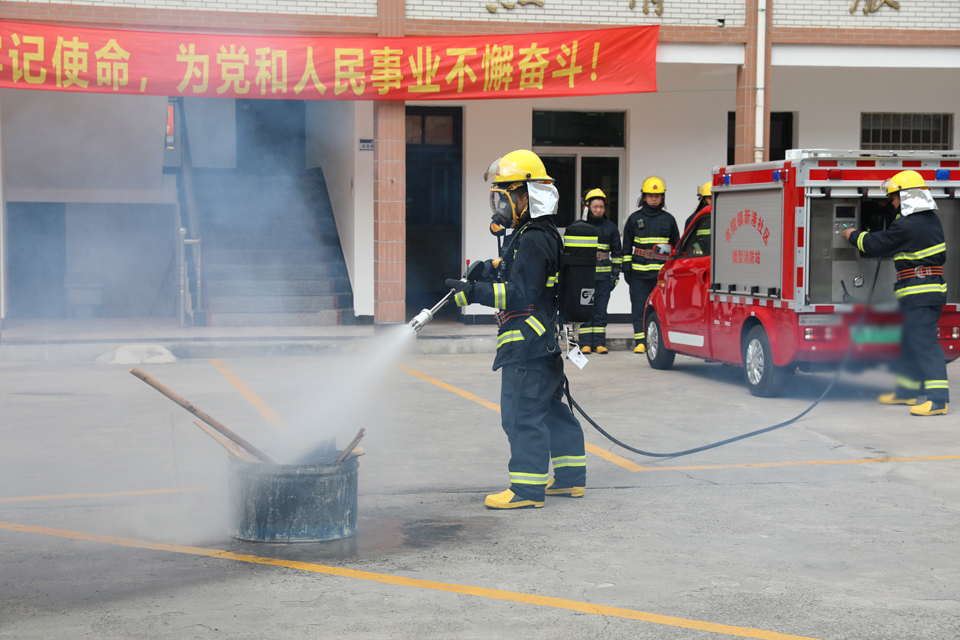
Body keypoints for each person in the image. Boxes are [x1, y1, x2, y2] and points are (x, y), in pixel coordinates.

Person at [445, 149, 586, 508]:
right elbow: (523, 275)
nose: (500, 205)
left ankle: (526, 490)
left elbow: (520, 292)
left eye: (505, 195)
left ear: (527, 195)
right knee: (551, 412)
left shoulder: (533, 237)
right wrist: (491, 268)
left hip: (527, 346)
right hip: (542, 344)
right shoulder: (537, 233)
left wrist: (473, 293)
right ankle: (571, 478)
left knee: (521, 415)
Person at [842, 170, 949, 416]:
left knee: (925, 344)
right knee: (910, 342)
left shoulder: (908, 225)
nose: (892, 202)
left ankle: (938, 401)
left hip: (920, 293)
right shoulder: (928, 220)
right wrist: (887, 210)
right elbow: (902, 230)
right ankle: (906, 392)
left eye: (893, 198)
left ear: (907, 196)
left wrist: (853, 236)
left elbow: (878, 243)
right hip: (925, 290)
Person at [622, 176, 680, 354]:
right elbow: (626, 247)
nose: (654, 199)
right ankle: (640, 342)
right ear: (644, 197)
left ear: (662, 197)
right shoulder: (634, 219)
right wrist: (626, 269)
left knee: (662, 310)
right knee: (639, 309)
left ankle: (658, 341)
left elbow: (676, 248)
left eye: (657, 195)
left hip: (661, 277)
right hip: (639, 275)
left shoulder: (669, 220)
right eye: (650, 195)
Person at [579, 188, 622, 355]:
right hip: (585, 278)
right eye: (595, 206)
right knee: (585, 310)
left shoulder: (611, 227)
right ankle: (585, 343)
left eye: (601, 207)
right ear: (587, 207)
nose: (598, 210)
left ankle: (599, 343)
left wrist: (615, 275)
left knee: (601, 311)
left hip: (604, 278)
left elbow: (617, 253)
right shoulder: (580, 227)